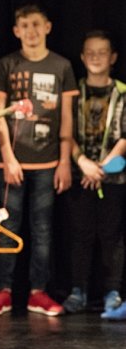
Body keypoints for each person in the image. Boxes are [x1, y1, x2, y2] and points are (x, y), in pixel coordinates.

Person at [0, 4, 78, 317]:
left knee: (42, 229)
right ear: (16, 31)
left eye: (36, 24)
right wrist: (7, 157)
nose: (31, 31)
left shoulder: (61, 66)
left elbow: (66, 117)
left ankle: (38, 292)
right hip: (12, 161)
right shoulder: (7, 64)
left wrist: (64, 160)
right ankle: (3, 290)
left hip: (48, 163)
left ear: (48, 27)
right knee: (7, 226)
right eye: (24, 25)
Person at [61, 30, 126, 317]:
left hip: (113, 176)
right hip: (79, 174)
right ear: (82, 57)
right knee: (80, 235)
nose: (96, 57)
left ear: (113, 57)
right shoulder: (73, 92)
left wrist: (102, 167)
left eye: (102, 52)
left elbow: (123, 137)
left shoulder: (122, 92)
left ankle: (113, 291)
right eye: (90, 52)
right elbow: (66, 132)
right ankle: (78, 290)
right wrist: (83, 162)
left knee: (112, 235)